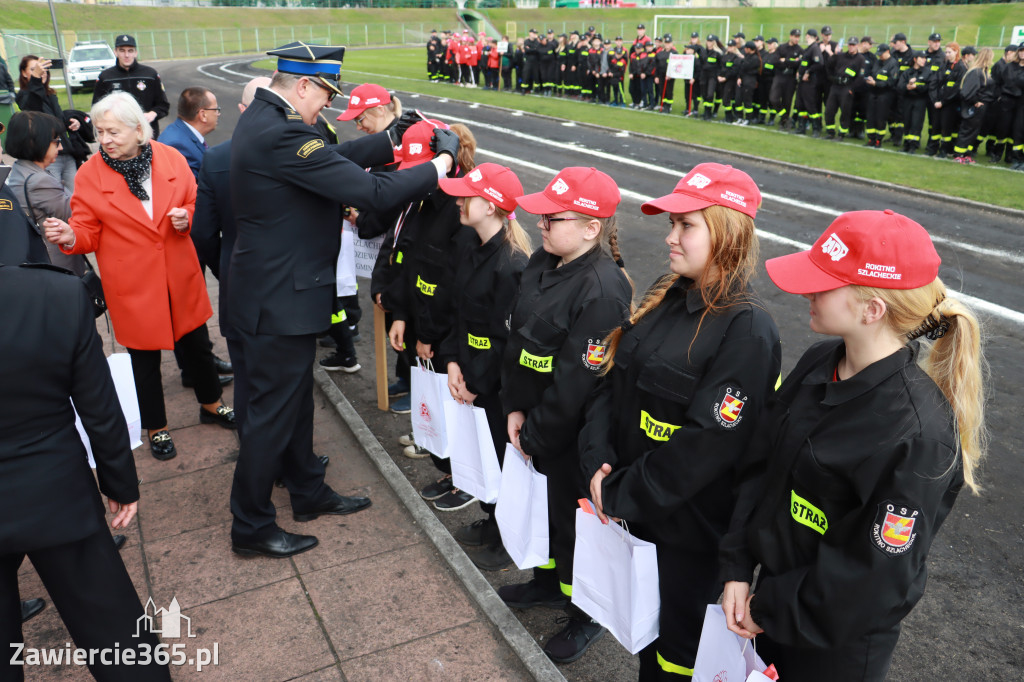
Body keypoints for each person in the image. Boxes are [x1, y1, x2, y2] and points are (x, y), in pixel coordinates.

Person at [719, 209, 985, 682]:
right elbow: (762, 466)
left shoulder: (919, 432)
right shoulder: (824, 359)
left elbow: (874, 577)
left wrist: (771, 608)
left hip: (833, 645)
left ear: (872, 309)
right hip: (771, 608)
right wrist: (738, 565)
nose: (807, 291)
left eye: (824, 282)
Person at [225, 43, 460, 559]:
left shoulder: (268, 119)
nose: (327, 107)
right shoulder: (283, 131)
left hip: (272, 292)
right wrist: (439, 162)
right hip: (277, 300)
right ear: (303, 85)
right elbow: (369, 193)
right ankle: (251, 523)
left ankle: (307, 490)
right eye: (326, 95)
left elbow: (332, 156)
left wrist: (393, 138)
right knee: (269, 417)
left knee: (291, 405)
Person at [581, 163, 781, 681]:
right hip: (636, 510)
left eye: (685, 225)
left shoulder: (748, 329)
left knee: (676, 655)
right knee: (643, 637)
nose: (669, 237)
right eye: (672, 223)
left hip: (687, 534)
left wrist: (621, 490)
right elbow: (613, 381)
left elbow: (708, 448)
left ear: (727, 231)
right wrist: (598, 460)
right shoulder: (668, 293)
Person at [0, 257, 170, 680]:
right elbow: (98, 405)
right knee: (112, 629)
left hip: (52, 484)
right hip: (53, 487)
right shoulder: (54, 293)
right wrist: (120, 482)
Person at [43, 92, 235, 463]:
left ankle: (211, 403)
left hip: (178, 273)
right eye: (100, 132)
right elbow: (86, 228)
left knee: (197, 344)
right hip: (132, 284)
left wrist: (187, 218)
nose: (105, 140)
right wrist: (71, 237)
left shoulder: (171, 158)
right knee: (143, 359)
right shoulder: (89, 174)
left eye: (113, 131)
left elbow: (195, 202)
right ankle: (156, 427)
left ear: (138, 129)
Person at [499, 167, 633, 664]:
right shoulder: (542, 260)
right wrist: (514, 407)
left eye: (553, 218)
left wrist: (534, 433)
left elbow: (577, 381)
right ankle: (549, 582)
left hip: (570, 437)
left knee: (580, 528)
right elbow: (518, 343)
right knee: (548, 517)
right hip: (532, 423)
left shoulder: (603, 289)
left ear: (591, 228)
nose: (541, 224)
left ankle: (587, 613)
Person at [432, 163, 531, 569]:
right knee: (482, 451)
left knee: (502, 457)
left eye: (467, 195)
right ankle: (492, 519)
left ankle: (508, 534)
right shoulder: (471, 247)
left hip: (494, 385)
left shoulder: (512, 265)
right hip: (471, 372)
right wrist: (453, 360)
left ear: (491, 206)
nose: (458, 200)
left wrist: (476, 380)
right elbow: (460, 312)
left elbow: (505, 341)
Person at [191, 77, 270, 437]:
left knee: (248, 381)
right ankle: (293, 465)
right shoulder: (300, 153)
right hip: (287, 290)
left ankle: (255, 456)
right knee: (286, 383)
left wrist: (226, 267)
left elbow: (204, 232)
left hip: (238, 284)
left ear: (241, 110)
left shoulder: (216, 158)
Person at [5, 111, 86, 274]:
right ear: (35, 143)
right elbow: (74, 215)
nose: (61, 147)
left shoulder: (21, 169)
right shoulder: (39, 181)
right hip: (58, 264)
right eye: (56, 142)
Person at [15, 55, 82, 192]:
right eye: (34, 69)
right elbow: (33, 109)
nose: (41, 72)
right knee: (55, 194)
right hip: (48, 156)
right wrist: (36, 80)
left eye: (43, 68)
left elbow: (58, 121)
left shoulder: (50, 94)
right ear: (24, 73)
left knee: (76, 194)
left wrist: (71, 123)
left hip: (66, 153)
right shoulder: (24, 95)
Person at [92, 34, 170, 138]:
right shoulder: (105, 77)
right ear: (116, 52)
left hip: (147, 133)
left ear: (135, 53)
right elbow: (97, 108)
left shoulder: (150, 75)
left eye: (130, 51)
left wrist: (153, 113)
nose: (126, 55)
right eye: (122, 50)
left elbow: (163, 105)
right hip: (118, 136)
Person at [158, 87, 221, 180]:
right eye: (216, 109)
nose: (218, 114)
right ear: (203, 115)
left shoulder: (176, 130)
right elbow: (191, 189)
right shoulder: (179, 146)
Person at [953, 47, 997, 164]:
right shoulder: (976, 72)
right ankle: (958, 154)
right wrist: (975, 101)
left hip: (981, 107)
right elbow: (966, 91)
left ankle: (967, 154)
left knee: (974, 131)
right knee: (967, 130)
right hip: (973, 107)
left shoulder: (983, 71)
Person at [823, 37, 865, 140]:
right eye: (850, 44)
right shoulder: (841, 56)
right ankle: (830, 132)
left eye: (853, 45)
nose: (851, 46)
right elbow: (829, 65)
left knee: (845, 112)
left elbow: (861, 76)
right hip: (836, 86)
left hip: (847, 87)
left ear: (857, 46)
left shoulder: (860, 59)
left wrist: (852, 89)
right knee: (829, 110)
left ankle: (842, 134)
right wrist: (835, 54)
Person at [931, 42, 966, 159]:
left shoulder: (961, 67)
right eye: (946, 52)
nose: (947, 54)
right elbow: (936, 83)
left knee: (947, 128)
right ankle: (933, 148)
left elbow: (956, 89)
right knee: (935, 125)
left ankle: (945, 150)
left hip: (950, 104)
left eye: (949, 52)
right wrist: (935, 100)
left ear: (956, 52)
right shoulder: (944, 65)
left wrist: (943, 102)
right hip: (938, 102)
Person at [897, 51, 932, 153]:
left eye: (925, 58)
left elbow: (929, 86)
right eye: (921, 58)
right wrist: (907, 86)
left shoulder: (927, 72)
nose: (924, 60)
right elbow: (899, 86)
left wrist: (917, 86)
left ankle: (914, 146)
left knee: (916, 123)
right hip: (907, 100)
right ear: (915, 59)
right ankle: (906, 145)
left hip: (920, 101)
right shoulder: (907, 72)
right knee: (907, 122)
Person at [864, 43, 898, 148]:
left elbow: (891, 81)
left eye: (881, 54)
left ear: (887, 52)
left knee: (880, 117)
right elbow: (874, 74)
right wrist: (870, 79)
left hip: (885, 94)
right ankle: (871, 138)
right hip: (873, 93)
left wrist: (876, 83)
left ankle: (879, 140)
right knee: (870, 117)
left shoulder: (893, 64)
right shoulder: (878, 62)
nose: (879, 56)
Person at [769, 29, 802, 129]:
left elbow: (799, 63)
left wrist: (785, 60)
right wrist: (791, 62)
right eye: (795, 36)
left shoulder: (800, 50)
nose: (797, 39)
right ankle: (785, 117)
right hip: (779, 76)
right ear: (790, 36)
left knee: (787, 101)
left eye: (798, 37)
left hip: (791, 79)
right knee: (773, 99)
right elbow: (774, 61)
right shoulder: (782, 48)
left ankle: (783, 122)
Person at [795, 28, 825, 136]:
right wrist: (799, 72)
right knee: (800, 104)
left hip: (809, 82)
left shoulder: (814, 48)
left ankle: (816, 128)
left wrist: (808, 72)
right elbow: (804, 63)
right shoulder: (808, 49)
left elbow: (819, 63)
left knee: (810, 105)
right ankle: (801, 127)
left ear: (808, 36)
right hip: (802, 81)